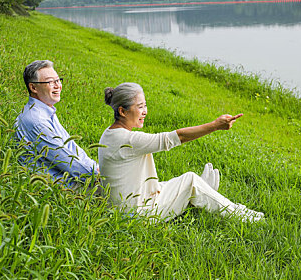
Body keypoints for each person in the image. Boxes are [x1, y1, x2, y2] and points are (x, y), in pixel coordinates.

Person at [98, 82, 264, 222]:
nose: (145, 111)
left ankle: (203, 192)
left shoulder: (109, 134)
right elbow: (177, 137)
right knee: (190, 180)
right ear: (122, 111)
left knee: (169, 185)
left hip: (122, 210)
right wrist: (215, 125)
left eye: (145, 105)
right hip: (136, 215)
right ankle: (239, 214)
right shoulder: (128, 140)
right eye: (140, 107)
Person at [14, 60, 99, 188]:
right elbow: (66, 160)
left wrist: (95, 167)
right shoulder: (36, 120)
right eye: (50, 82)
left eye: (58, 80)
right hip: (60, 186)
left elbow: (71, 146)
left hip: (72, 177)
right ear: (33, 87)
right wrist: (96, 175)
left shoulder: (46, 111)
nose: (57, 85)